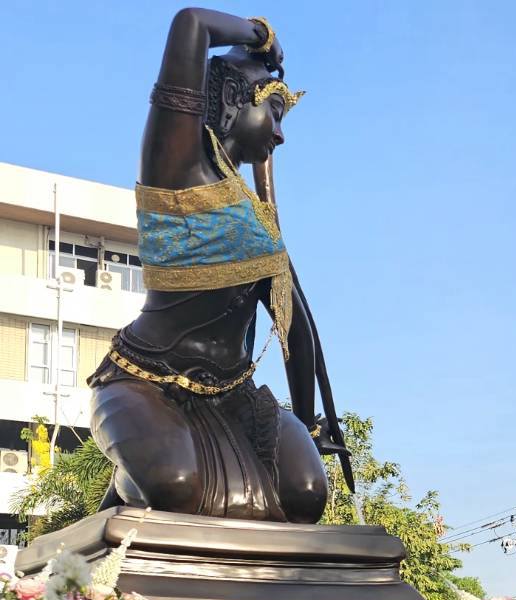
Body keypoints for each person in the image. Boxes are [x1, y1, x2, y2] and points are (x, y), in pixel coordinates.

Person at [91, 10, 348, 522]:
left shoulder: (256, 222)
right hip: (147, 378)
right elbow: (191, 24)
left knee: (306, 495)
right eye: (274, 113)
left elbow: (295, 330)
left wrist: (308, 424)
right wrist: (262, 36)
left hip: (235, 394)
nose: (280, 135)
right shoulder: (175, 168)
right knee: (175, 485)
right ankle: (123, 487)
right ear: (233, 99)